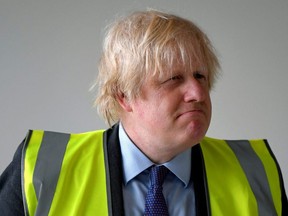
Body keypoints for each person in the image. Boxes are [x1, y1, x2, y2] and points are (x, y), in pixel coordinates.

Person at [0, 9, 287, 216]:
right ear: (124, 95)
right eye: (174, 79)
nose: (198, 94)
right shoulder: (43, 169)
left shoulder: (255, 171)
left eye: (200, 76)